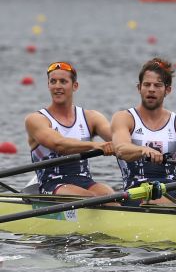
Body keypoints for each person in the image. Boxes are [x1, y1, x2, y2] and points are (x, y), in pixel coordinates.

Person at [110, 58, 176, 206]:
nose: (151, 89)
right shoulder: (124, 118)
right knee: (161, 203)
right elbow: (121, 149)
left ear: (168, 90)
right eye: (147, 85)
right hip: (137, 190)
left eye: (157, 85)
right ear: (139, 88)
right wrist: (143, 150)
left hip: (171, 188)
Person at [25, 61, 115, 196]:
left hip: (85, 181)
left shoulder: (91, 117)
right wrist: (97, 145)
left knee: (110, 196)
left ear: (75, 86)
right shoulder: (36, 119)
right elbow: (60, 145)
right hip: (52, 184)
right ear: (48, 85)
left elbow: (120, 139)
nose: (57, 86)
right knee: (90, 197)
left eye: (63, 81)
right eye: (53, 81)